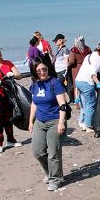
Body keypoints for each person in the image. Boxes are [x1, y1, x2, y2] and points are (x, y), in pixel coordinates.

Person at [28, 56, 68, 191]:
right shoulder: (34, 84)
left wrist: (61, 122)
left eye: (44, 69)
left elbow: (63, 104)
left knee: (53, 153)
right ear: (34, 71)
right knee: (37, 152)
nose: (42, 73)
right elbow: (34, 103)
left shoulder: (55, 83)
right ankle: (51, 173)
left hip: (55, 121)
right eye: (38, 71)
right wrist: (31, 121)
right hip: (40, 121)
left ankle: (56, 179)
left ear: (47, 68)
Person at [74, 43, 100, 133]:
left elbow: (94, 69)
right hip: (87, 83)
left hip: (78, 81)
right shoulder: (97, 58)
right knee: (91, 104)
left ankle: (83, 123)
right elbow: (92, 72)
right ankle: (88, 126)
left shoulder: (89, 55)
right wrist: (98, 83)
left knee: (84, 104)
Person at [67, 36, 91, 103]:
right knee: (86, 83)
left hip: (77, 68)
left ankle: (78, 102)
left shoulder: (74, 50)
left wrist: (67, 63)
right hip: (86, 67)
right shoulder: (87, 48)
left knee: (76, 85)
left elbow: (72, 61)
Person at [52, 34, 73, 102]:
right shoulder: (58, 49)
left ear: (60, 41)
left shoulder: (65, 49)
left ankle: (69, 99)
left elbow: (67, 60)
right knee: (64, 86)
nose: (55, 42)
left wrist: (66, 70)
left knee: (62, 85)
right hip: (58, 70)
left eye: (56, 41)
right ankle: (71, 99)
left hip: (63, 70)